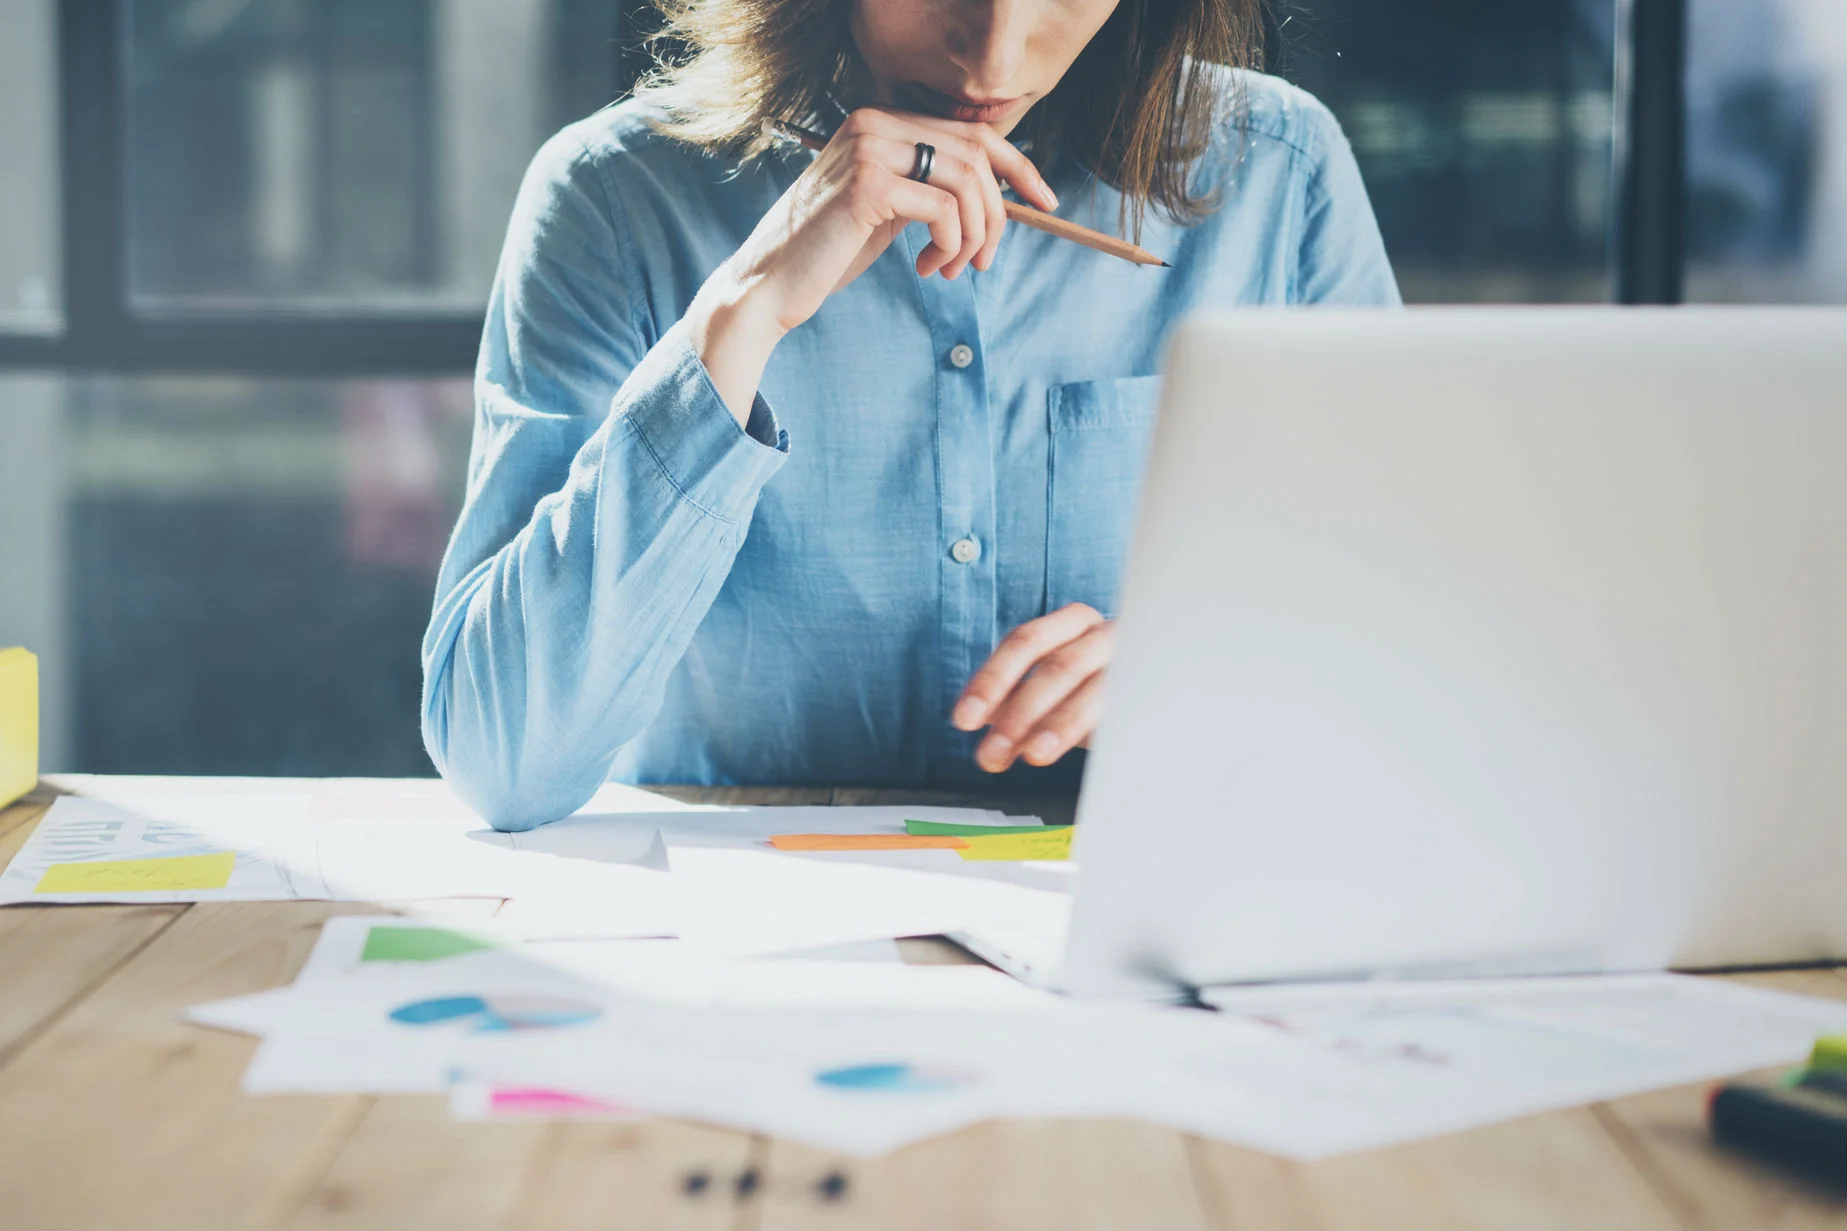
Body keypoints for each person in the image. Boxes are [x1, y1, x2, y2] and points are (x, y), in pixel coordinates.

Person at [421, 0, 1399, 832]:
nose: (994, 57)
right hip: (739, 956)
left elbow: (1411, 672)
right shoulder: (612, 198)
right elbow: (500, 757)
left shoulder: (1280, 176)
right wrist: (742, 316)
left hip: (1133, 928)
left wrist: (1219, 673)